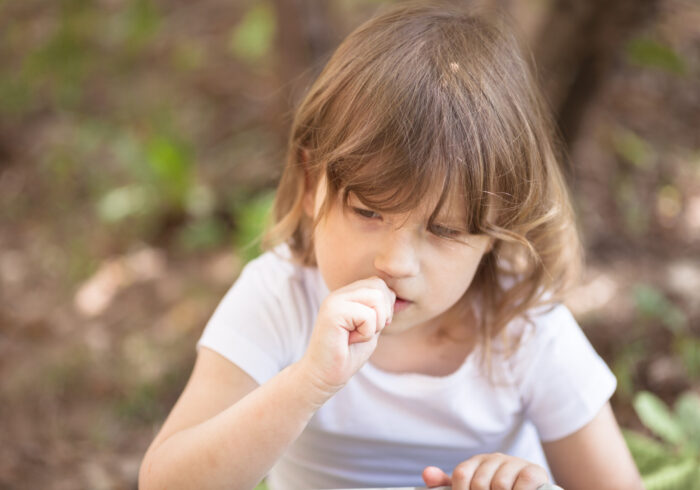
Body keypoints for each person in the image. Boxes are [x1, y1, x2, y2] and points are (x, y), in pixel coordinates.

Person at [139, 2, 644, 489]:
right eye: (368, 212)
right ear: (313, 182)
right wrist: (308, 383)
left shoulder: (523, 330)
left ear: (495, 232)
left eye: (444, 232)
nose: (395, 263)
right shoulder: (280, 298)